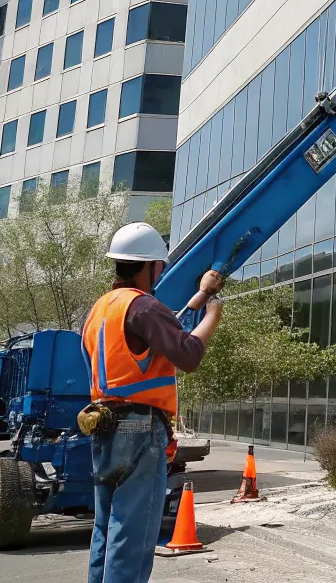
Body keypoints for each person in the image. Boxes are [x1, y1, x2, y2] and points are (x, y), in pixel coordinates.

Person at [83, 222, 226, 583]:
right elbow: (188, 353)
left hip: (104, 427)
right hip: (139, 430)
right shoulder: (143, 306)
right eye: (159, 265)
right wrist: (212, 317)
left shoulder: (101, 310)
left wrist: (200, 295)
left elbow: (166, 331)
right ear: (149, 265)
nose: (160, 271)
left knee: (107, 528)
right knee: (133, 535)